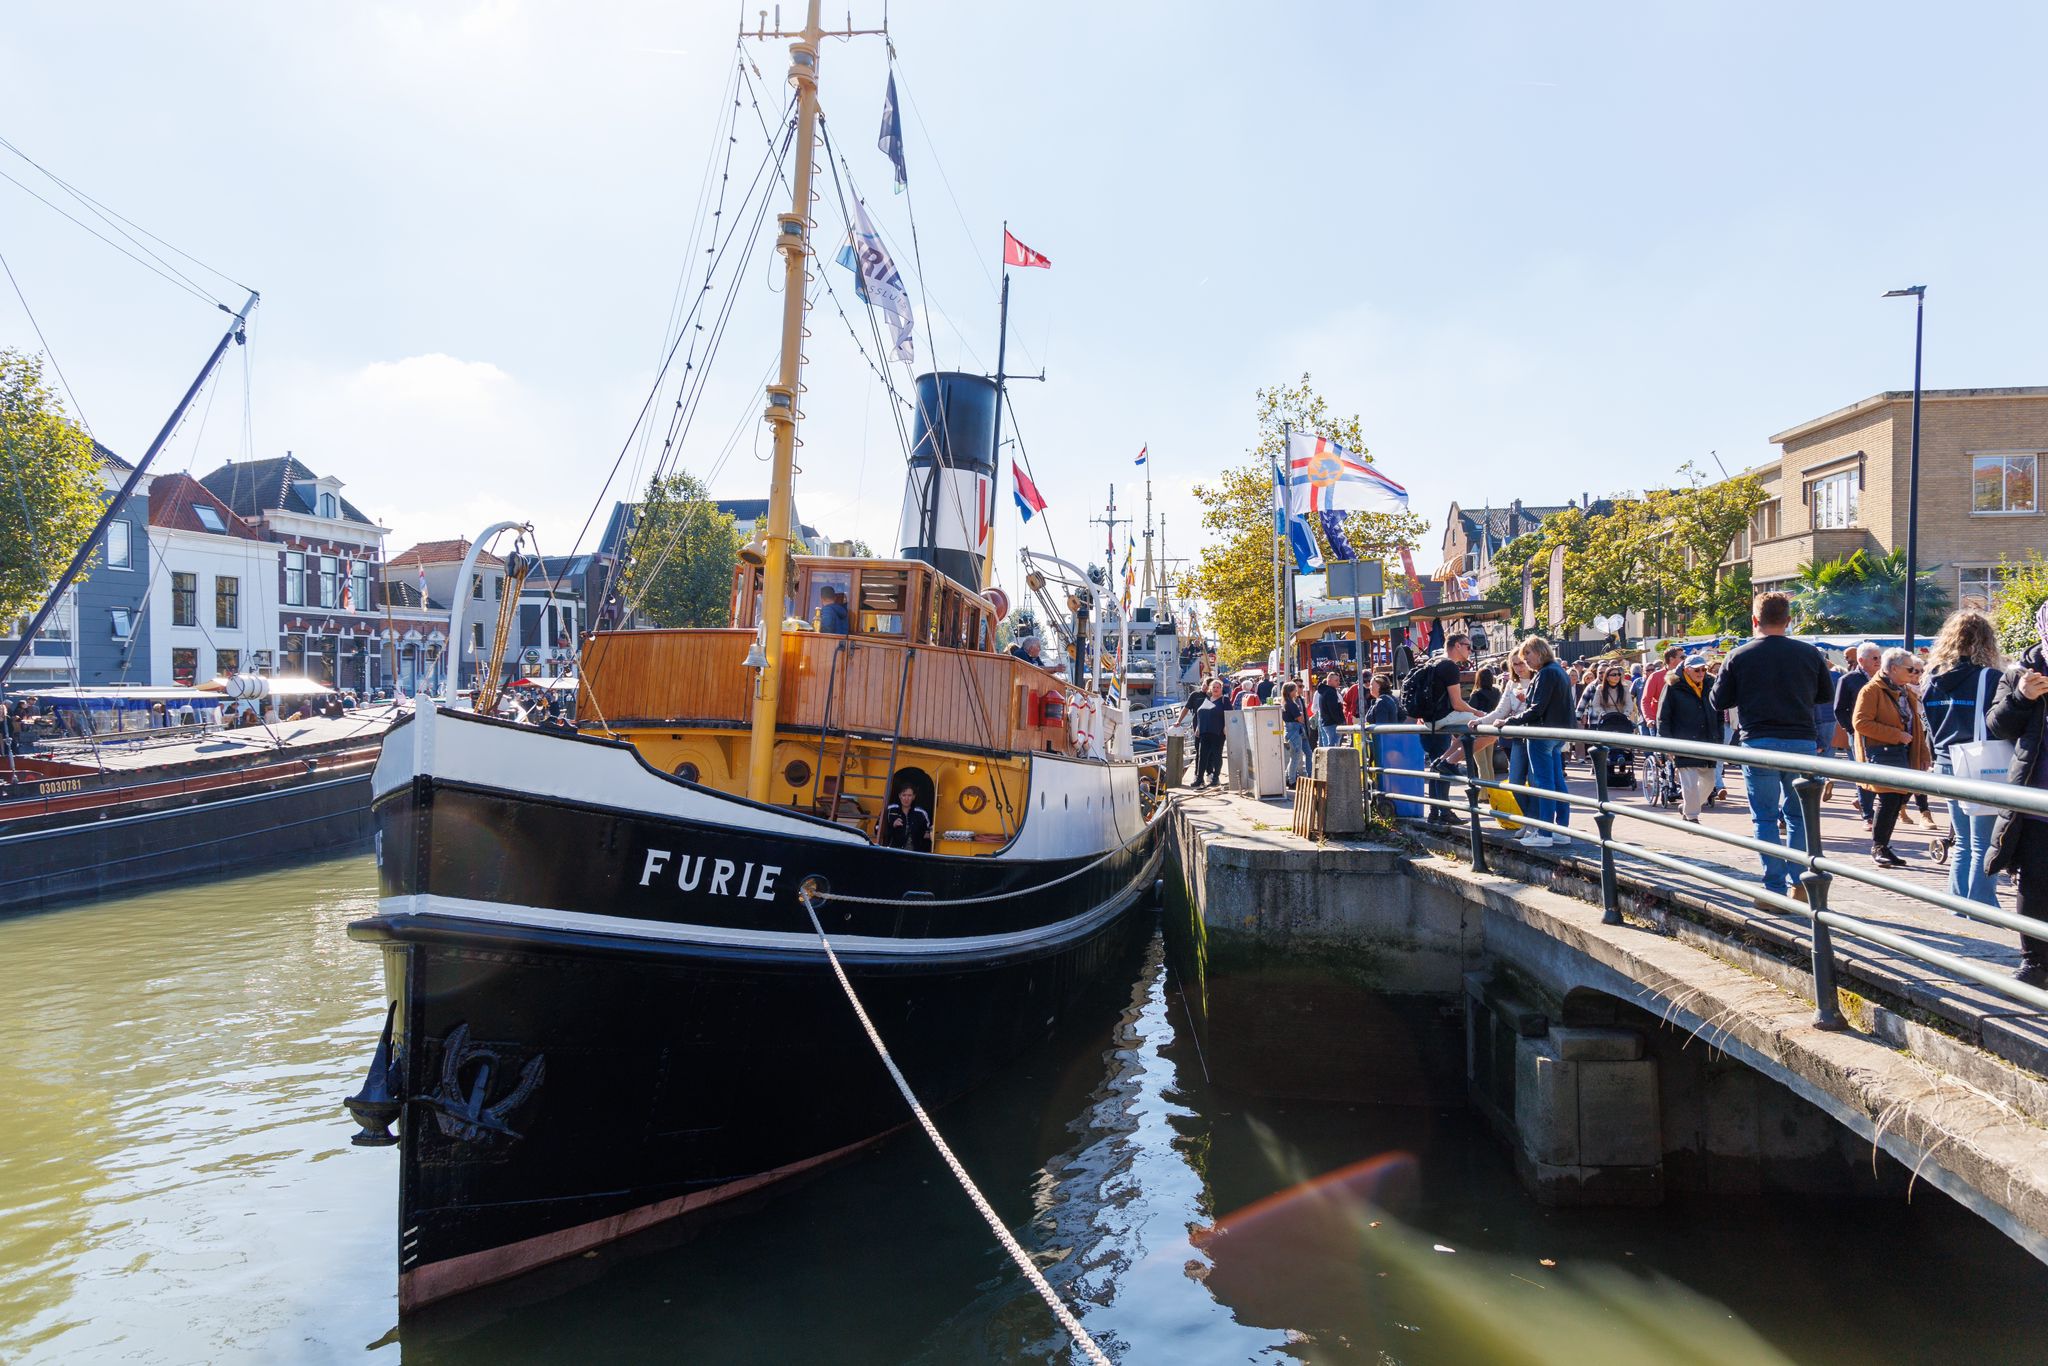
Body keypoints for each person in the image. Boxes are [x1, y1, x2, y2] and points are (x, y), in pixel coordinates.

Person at [1708, 591, 1833, 906]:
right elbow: (1823, 696)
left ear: (1754, 620)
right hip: (1802, 741)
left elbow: (1718, 701)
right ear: (1789, 621)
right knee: (1799, 816)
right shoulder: (1810, 654)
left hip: (1759, 740)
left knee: (1764, 817)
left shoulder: (1739, 656)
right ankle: (1801, 883)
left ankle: (1773, 889)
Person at [1985, 601, 2048, 986]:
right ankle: (2036, 962)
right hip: (2035, 799)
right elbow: (1996, 726)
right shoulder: (2019, 673)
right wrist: (2022, 697)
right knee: (2035, 882)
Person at [1923, 610, 2005, 908]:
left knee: (1963, 843)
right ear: (1985, 642)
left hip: (1946, 762)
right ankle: (1983, 910)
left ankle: (1958, 906)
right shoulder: (1991, 678)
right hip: (1980, 763)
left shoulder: (1931, 679)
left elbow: (1929, 727)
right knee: (1984, 842)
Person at [1853, 647, 1932, 869]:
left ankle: (1883, 846)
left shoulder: (1905, 690)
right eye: (1910, 669)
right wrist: (1896, 735)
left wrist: (1923, 753)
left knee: (1898, 799)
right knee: (1889, 800)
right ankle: (1878, 847)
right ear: (1894, 668)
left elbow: (1917, 724)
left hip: (1903, 751)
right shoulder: (1871, 691)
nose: (1913, 672)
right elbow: (1860, 723)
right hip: (1884, 752)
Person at [1503, 635, 1573, 846]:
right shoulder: (1559, 671)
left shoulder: (1545, 673)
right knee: (1557, 782)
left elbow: (1537, 709)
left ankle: (1544, 834)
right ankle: (1561, 829)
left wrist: (1509, 721)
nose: (1525, 660)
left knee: (1544, 784)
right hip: (1559, 734)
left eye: (1528, 654)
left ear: (1539, 651)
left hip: (1541, 734)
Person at [1412, 635, 1480, 825]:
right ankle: (1444, 810)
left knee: (1435, 765)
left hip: (1428, 721)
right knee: (1482, 726)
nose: (1470, 650)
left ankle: (1436, 811)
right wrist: (1478, 712)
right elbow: (1457, 703)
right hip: (1442, 719)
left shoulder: (1433, 662)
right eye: (1468, 646)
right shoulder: (1449, 666)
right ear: (1457, 645)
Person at [1657, 654, 1720, 822]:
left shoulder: (1711, 683)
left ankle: (1687, 807)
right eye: (1697, 670)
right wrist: (1667, 744)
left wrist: (1719, 738)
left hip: (1707, 740)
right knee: (1690, 783)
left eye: (1704, 669)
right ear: (1686, 670)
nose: (1701, 673)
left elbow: (1719, 713)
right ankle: (1692, 817)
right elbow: (1663, 716)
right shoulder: (1673, 686)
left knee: (1709, 781)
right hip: (1683, 741)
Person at [1834, 642, 1882, 825]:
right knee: (1864, 773)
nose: (1878, 661)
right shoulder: (1848, 680)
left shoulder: (1884, 678)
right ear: (1861, 660)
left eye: (1879, 657)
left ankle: (1870, 806)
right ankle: (1867, 815)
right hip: (1859, 735)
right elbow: (1839, 709)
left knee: (1881, 772)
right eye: (1874, 658)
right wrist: (1852, 730)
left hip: (1881, 733)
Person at [1191, 677, 1230, 788]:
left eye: (1218, 687)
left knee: (1217, 755)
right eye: (1214, 687)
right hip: (1204, 731)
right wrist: (1198, 726)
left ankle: (1215, 778)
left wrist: (1226, 727)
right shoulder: (1207, 699)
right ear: (1210, 688)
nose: (1216, 689)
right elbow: (1200, 713)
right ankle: (1199, 779)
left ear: (1221, 689)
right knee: (1202, 756)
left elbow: (1230, 715)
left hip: (1217, 732)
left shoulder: (1224, 700)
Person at [879, 785, 932, 852]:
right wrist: (892, 825)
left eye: (909, 795)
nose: (906, 798)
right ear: (899, 796)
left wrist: (927, 834)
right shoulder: (890, 810)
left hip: (914, 854)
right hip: (892, 852)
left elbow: (929, 832)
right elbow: (877, 829)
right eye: (904, 795)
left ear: (914, 797)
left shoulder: (921, 813)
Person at [1641, 647, 1683, 731]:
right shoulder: (1655, 676)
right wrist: (1649, 719)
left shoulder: (1686, 674)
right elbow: (1646, 700)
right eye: (1682, 657)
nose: (1685, 659)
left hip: (1682, 722)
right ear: (1671, 659)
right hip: (1660, 722)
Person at [1280, 680, 1309, 788]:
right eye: (1295, 689)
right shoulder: (1292, 704)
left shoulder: (1285, 703)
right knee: (1296, 757)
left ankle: (1288, 778)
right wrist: (1300, 714)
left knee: (1293, 757)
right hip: (1294, 731)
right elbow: (1300, 718)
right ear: (1290, 691)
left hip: (1289, 731)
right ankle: (1292, 780)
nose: (1297, 691)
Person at [1314, 670, 1346, 742]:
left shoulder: (1325, 691)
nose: (1338, 682)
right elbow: (1333, 709)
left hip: (1327, 722)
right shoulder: (1330, 692)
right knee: (1333, 744)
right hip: (1332, 723)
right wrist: (1340, 721)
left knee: (1331, 743)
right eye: (1336, 680)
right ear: (1330, 681)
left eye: (1339, 680)